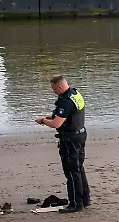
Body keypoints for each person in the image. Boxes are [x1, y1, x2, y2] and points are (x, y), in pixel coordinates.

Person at [34, 75, 90, 213]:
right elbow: (69, 115)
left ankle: (76, 204)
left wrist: (43, 121)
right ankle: (85, 199)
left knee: (71, 172)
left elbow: (56, 124)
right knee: (78, 168)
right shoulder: (75, 94)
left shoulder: (65, 101)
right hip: (80, 134)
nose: (53, 91)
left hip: (70, 139)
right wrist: (52, 117)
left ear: (60, 87)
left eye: (54, 89)